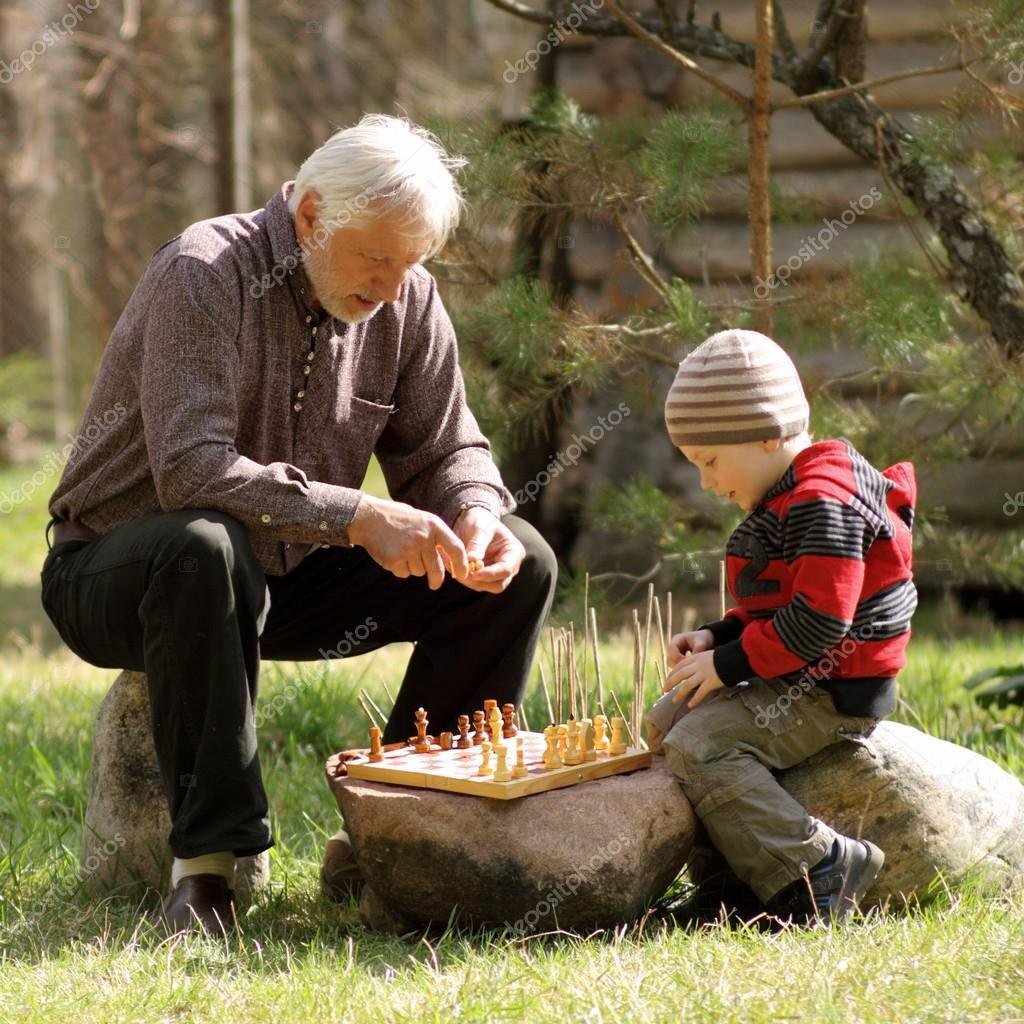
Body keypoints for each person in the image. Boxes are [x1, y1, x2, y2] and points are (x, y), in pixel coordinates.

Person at [40, 114, 556, 935]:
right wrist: (358, 517)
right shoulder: (201, 272)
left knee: (521, 560)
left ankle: (404, 842)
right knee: (204, 542)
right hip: (124, 575)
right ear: (311, 216)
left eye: (411, 262)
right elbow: (191, 471)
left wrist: (476, 511)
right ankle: (208, 870)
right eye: (378, 258)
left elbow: (450, 444)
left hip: (281, 578)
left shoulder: (406, 296)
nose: (394, 286)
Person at [646, 328, 917, 924]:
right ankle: (729, 884)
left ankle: (816, 870)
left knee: (698, 746)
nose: (708, 483)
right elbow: (781, 601)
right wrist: (720, 636)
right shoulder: (794, 490)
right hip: (800, 673)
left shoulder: (825, 502)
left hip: (830, 689)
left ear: (769, 433)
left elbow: (820, 621)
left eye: (711, 462)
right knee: (667, 722)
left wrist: (727, 666)